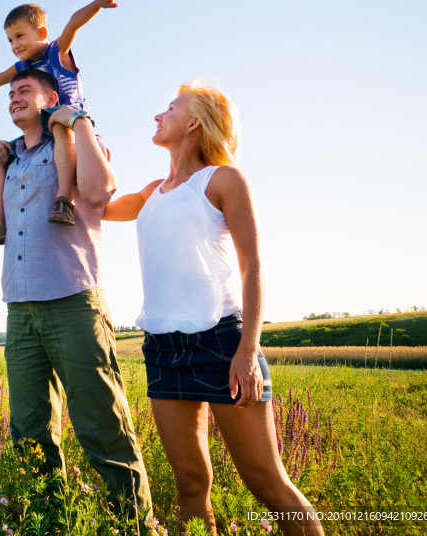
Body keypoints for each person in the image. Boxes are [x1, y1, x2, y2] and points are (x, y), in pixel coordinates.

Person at [103, 82, 324, 535]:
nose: (157, 115)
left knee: (266, 483)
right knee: (189, 483)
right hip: (163, 348)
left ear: (193, 122)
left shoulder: (223, 180)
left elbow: (253, 265)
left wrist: (247, 350)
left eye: (169, 107)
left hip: (222, 342)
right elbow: (95, 206)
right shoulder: (152, 192)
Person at [0, 68, 152, 522]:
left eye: (23, 90)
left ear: (49, 98)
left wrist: (78, 120)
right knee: (28, 430)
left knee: (102, 423)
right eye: (9, 94)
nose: (13, 98)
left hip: (73, 301)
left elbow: (101, 192)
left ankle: (134, 525)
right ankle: (47, 522)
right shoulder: (10, 162)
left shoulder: (74, 143)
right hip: (19, 310)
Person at [0, 0, 129, 244]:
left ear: (41, 34)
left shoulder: (56, 52)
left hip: (70, 123)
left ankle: (63, 199)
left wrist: (99, 3)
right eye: (9, 40)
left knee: (58, 124)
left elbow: (74, 22)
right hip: (42, 130)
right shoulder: (22, 68)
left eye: (19, 36)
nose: (14, 45)